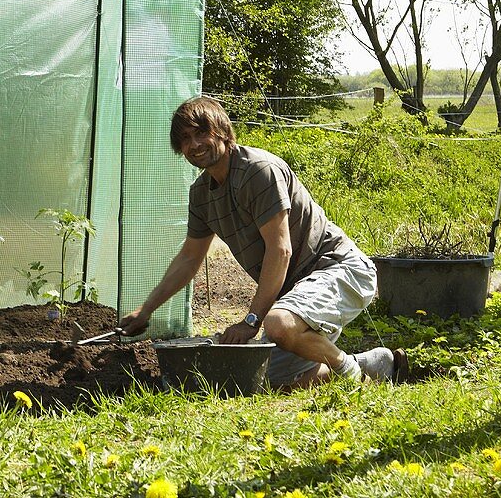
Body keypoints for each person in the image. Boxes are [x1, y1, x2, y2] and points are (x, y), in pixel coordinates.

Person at [119, 96, 407, 389]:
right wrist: (146, 310)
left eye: (201, 133)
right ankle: (372, 365)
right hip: (296, 291)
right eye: (185, 139)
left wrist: (251, 320)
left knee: (279, 324)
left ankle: (351, 377)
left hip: (339, 268)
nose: (194, 145)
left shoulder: (258, 170)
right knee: (265, 380)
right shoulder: (202, 194)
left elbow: (280, 249)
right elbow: (190, 258)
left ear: (223, 131)